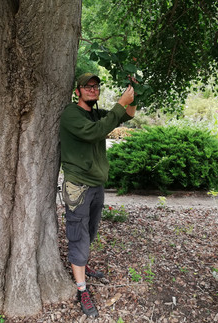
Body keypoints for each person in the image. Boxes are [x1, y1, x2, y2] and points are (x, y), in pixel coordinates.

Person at [59, 73, 136, 317]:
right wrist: (120, 103)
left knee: (90, 230)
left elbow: (128, 116)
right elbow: (94, 132)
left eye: (96, 87)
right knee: (77, 233)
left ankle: (82, 266)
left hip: (95, 185)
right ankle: (82, 288)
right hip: (78, 187)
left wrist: (133, 93)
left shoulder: (96, 114)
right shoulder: (71, 114)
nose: (93, 90)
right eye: (87, 87)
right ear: (77, 91)